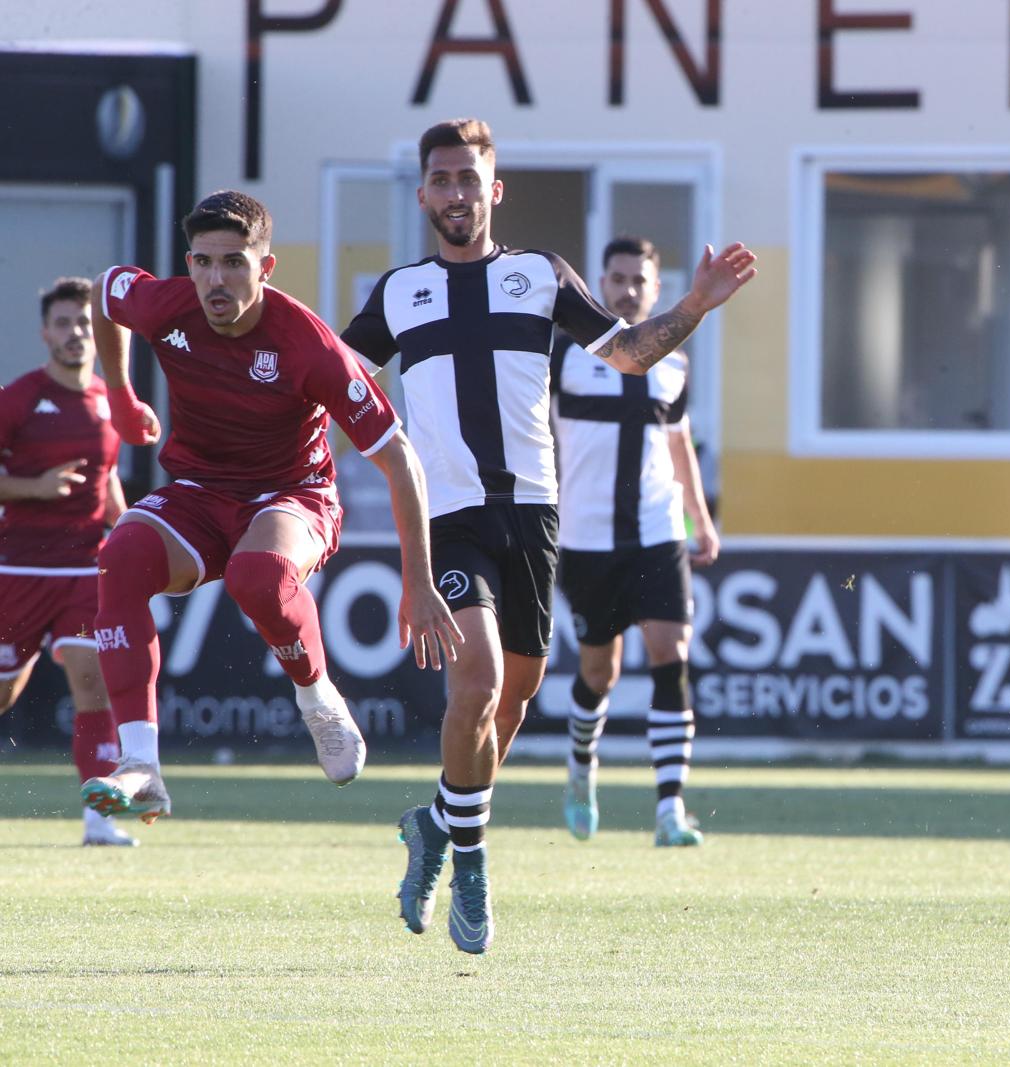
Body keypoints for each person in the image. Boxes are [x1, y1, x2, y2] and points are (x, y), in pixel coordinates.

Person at [341, 118, 754, 954]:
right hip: (448, 519)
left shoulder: (539, 277)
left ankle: (433, 821)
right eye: (442, 179)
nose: (457, 192)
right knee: (479, 682)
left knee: (515, 702)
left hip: (533, 518)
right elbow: (332, 382)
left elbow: (631, 354)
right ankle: (474, 863)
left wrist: (695, 305)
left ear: (495, 191)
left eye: (471, 178)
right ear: (424, 194)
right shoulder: (397, 294)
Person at [82, 190, 461, 828]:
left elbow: (401, 461)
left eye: (234, 262)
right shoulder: (166, 305)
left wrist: (418, 581)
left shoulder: (309, 346)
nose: (215, 279)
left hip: (295, 494)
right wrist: (119, 396)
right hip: (201, 491)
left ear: (266, 266)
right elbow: (102, 292)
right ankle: (141, 766)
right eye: (202, 261)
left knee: (257, 578)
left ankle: (317, 699)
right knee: (120, 557)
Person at [550, 235, 720, 848]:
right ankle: (580, 766)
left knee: (671, 651)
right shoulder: (564, 354)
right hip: (586, 537)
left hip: (656, 529)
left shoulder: (674, 360)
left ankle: (670, 809)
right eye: (617, 279)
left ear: (654, 287)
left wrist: (699, 519)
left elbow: (679, 443)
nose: (627, 290)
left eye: (638, 280)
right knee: (601, 671)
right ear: (601, 282)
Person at [0, 277, 134, 846]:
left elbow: (107, 482)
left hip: (86, 567)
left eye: (84, 323)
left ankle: (99, 820)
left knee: (93, 681)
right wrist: (34, 486)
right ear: (45, 333)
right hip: (19, 570)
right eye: (64, 324)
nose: (76, 333)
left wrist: (129, 534)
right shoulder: (21, 397)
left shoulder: (110, 399)